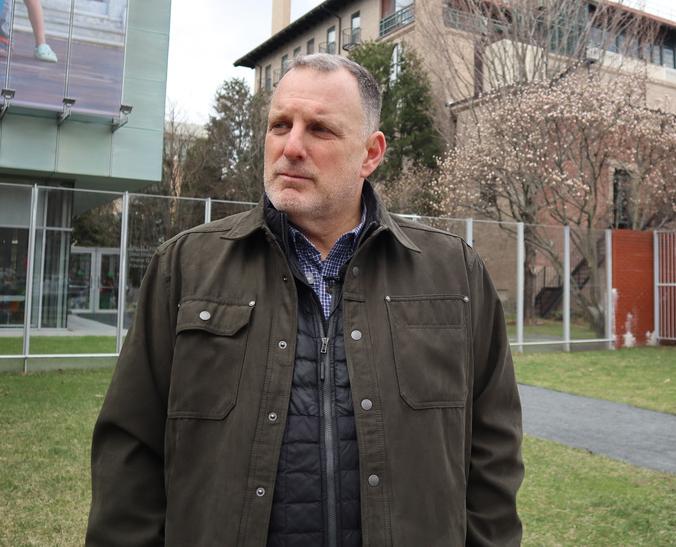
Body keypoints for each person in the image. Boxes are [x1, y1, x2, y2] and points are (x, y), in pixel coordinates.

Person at [86, 53, 525, 546]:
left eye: (319, 129)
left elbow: (493, 453)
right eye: (279, 125)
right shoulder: (185, 268)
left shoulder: (454, 273)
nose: (291, 147)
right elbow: (130, 450)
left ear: (371, 153)